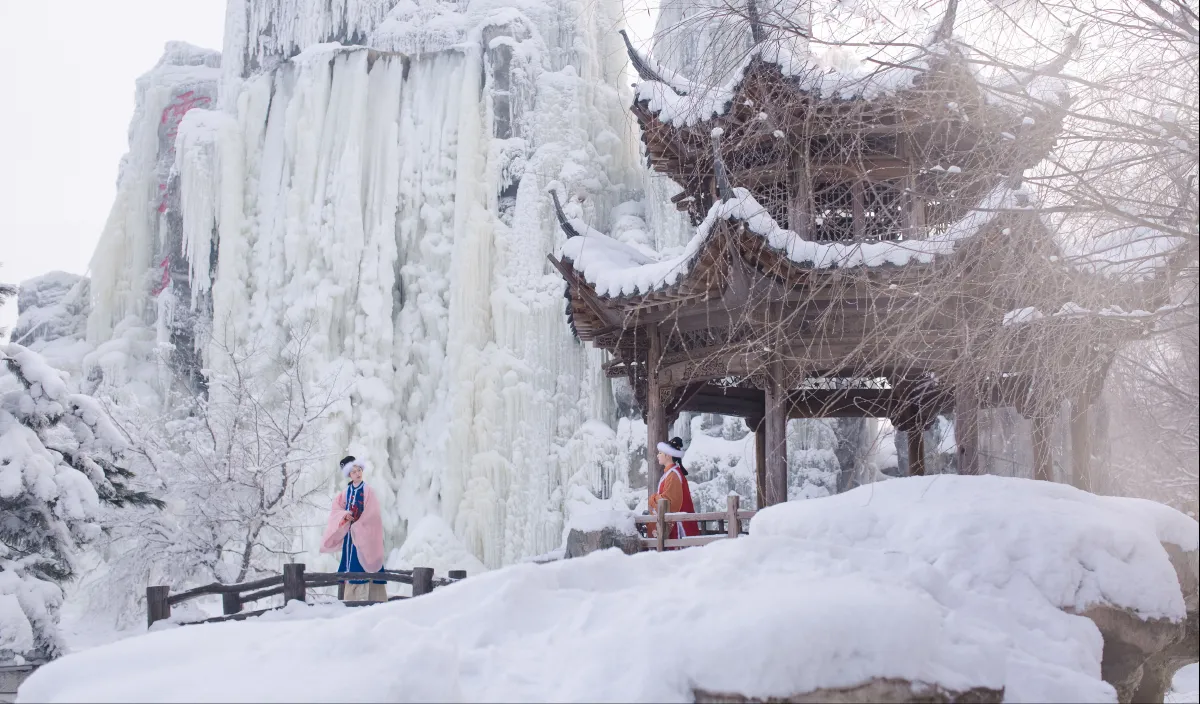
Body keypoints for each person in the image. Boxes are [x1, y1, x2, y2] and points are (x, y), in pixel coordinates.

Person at [320, 456, 387, 602]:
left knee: (364, 562)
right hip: (351, 536)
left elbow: (373, 512)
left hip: (365, 534)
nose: (357, 473)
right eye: (353, 472)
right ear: (349, 475)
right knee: (351, 563)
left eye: (359, 470)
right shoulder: (346, 492)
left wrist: (360, 523)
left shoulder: (368, 490)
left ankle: (370, 597)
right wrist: (345, 515)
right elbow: (336, 509)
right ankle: (352, 598)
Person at [648, 437, 698, 540]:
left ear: (668, 455)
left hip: (678, 526)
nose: (658, 455)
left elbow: (669, 501)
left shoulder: (673, 475)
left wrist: (653, 499)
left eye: (660, 453)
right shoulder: (671, 473)